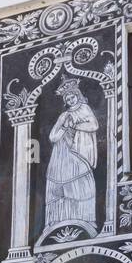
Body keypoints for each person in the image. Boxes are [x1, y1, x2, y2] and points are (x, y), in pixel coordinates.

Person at [45, 77, 98, 234]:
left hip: (78, 151)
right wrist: (64, 128)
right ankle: (56, 220)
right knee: (59, 185)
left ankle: (86, 219)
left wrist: (75, 125)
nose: (70, 100)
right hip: (61, 154)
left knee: (81, 183)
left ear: (78, 95)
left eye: (72, 96)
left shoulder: (85, 109)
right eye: (67, 99)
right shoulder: (63, 115)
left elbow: (94, 125)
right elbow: (52, 136)